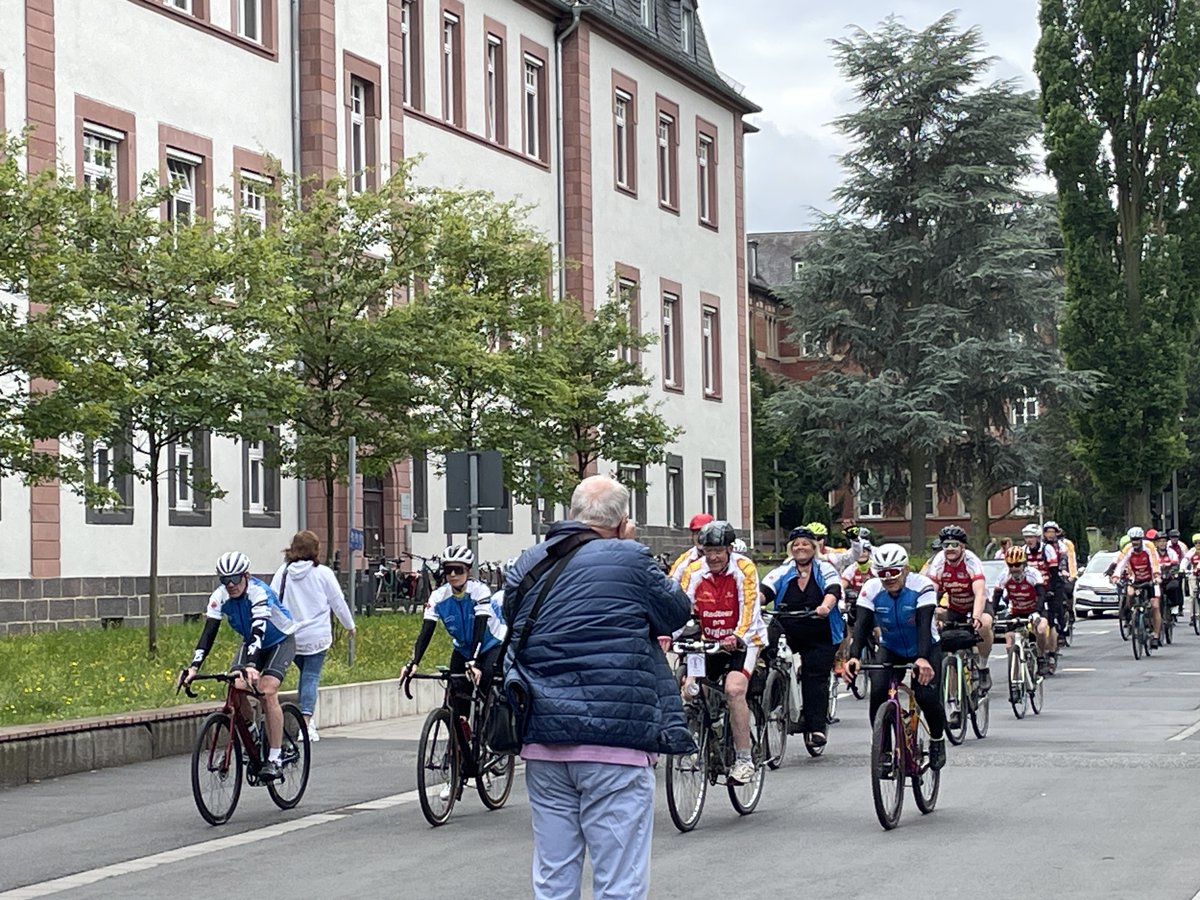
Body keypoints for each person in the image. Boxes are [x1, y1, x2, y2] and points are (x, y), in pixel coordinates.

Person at [503, 475, 692, 900]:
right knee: (619, 880)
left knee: (553, 874)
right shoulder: (630, 558)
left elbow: (513, 623)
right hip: (616, 742)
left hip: (545, 740)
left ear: (573, 514)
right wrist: (627, 544)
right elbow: (676, 611)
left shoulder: (529, 562)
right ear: (624, 521)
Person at [180, 552, 297, 780]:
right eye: (225, 579)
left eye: (234, 578)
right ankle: (251, 732)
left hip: (280, 641)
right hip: (251, 643)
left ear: (246, 575)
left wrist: (252, 665)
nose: (230, 584)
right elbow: (208, 633)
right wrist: (193, 667)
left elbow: (258, 631)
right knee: (234, 684)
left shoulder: (258, 592)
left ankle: (275, 757)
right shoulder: (219, 596)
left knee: (266, 690)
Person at [844, 543, 946, 772]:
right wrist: (854, 657)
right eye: (882, 574)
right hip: (891, 646)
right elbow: (861, 625)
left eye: (894, 573)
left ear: (906, 569)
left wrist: (921, 658)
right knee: (878, 690)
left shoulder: (923, 586)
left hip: (925, 646)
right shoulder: (871, 589)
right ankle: (884, 749)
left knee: (925, 695)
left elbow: (923, 624)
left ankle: (938, 740)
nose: (888, 579)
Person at [677, 520, 766, 780]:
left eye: (719, 550)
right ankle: (706, 731)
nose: (713, 556)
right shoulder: (693, 571)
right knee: (692, 689)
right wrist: (667, 635)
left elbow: (749, 606)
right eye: (708, 550)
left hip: (743, 641)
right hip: (707, 641)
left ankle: (744, 759)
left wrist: (737, 636)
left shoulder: (744, 568)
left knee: (734, 689)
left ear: (729, 549)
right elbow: (680, 606)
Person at [400, 545, 506, 725]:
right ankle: (459, 743)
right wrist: (414, 662)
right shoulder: (438, 597)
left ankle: (487, 726)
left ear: (468, 571)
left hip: (490, 645)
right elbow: (426, 631)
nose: (453, 575)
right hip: (463, 648)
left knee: (486, 678)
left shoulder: (480, 591)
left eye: (459, 569)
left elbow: (480, 628)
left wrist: (474, 661)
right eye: (449, 570)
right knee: (456, 696)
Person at [760, 525, 843, 751]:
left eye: (805, 543)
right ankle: (770, 696)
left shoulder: (824, 568)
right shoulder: (784, 570)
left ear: (814, 547)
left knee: (814, 674)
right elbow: (765, 589)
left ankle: (816, 727)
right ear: (791, 549)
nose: (801, 548)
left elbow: (833, 589)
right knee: (765, 648)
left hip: (819, 631)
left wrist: (825, 607)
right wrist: (755, 602)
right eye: (796, 544)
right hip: (789, 627)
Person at [269, 531, 355, 742]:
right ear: (316, 550)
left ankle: (308, 719)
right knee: (310, 676)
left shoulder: (284, 571)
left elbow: (271, 600)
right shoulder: (322, 573)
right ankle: (306, 724)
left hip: (290, 635)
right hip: (316, 636)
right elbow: (338, 601)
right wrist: (349, 625)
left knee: (304, 674)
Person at [923, 525, 993, 703]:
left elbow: (980, 593)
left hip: (978, 604)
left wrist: (976, 616)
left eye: (954, 544)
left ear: (963, 547)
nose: (950, 549)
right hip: (956, 606)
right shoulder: (939, 562)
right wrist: (931, 620)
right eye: (946, 545)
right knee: (951, 653)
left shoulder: (971, 561)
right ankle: (954, 702)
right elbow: (930, 594)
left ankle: (983, 667)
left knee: (984, 624)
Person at [994, 545, 1053, 678]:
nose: (1014, 568)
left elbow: (1041, 595)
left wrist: (1037, 612)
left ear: (1024, 564)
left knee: (1042, 629)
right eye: (1011, 565)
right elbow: (996, 596)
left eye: (1017, 565)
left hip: (1035, 609)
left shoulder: (1033, 574)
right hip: (1016, 611)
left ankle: (1041, 657)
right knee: (1009, 642)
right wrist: (993, 614)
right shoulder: (1004, 575)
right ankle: (1015, 680)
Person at [1110, 526, 1163, 647]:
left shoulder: (1149, 546)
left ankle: (1156, 635)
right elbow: (1122, 563)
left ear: (1141, 539)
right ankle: (1130, 615)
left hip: (1151, 579)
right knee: (1130, 593)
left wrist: (1156, 575)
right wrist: (1116, 576)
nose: (1135, 542)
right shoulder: (1128, 548)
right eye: (1133, 539)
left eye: (1137, 539)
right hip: (1136, 579)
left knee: (1155, 606)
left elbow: (1154, 562)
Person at [1021, 522, 1062, 654]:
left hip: (1049, 586)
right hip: (1032, 589)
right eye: (1026, 537)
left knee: (1050, 621)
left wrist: (1051, 590)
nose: (1029, 540)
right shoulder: (1023, 551)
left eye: (1031, 537)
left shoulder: (1047, 549)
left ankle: (1051, 652)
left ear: (1038, 538)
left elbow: (1054, 572)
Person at [669, 512, 715, 582]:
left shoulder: (726, 556)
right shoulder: (685, 559)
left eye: (703, 533)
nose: (700, 537)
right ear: (692, 536)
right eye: (697, 533)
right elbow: (672, 582)